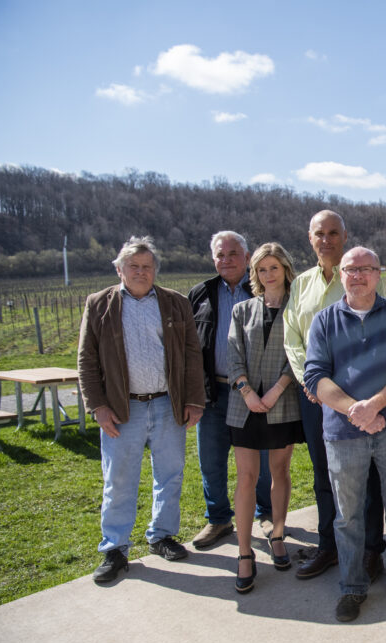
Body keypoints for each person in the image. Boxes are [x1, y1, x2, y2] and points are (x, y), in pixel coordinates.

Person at [303, 247, 386, 621]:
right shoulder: (323, 321)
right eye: (351, 269)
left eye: (366, 269)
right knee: (347, 517)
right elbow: (315, 377)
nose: (358, 276)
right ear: (340, 274)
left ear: (379, 274)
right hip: (342, 433)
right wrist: (355, 411)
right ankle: (352, 587)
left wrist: (374, 406)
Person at [78, 236, 204, 583]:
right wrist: (98, 407)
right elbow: (86, 360)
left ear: (155, 271)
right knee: (118, 479)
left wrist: (194, 400)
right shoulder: (99, 304)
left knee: (170, 474)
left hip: (167, 404)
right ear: (119, 269)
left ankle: (162, 535)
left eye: (147, 267)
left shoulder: (175, 304)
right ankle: (115, 548)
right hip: (122, 409)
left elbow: (193, 355)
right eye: (133, 266)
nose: (140, 272)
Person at [283, 210, 386, 581]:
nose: (325, 239)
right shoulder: (300, 285)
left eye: (332, 233)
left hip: (359, 399)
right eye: (318, 233)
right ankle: (329, 546)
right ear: (310, 238)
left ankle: (373, 549)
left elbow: (375, 337)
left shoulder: (361, 278)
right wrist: (311, 383)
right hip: (316, 399)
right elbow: (292, 339)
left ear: (344, 236)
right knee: (324, 474)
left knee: (367, 475)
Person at [227, 243, 305, 593]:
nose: (268, 275)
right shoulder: (243, 310)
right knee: (246, 477)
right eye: (262, 269)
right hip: (245, 406)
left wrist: (275, 391)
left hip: (283, 403)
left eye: (274, 268)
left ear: (285, 270)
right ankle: (244, 554)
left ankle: (277, 534)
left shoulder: (296, 308)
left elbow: (300, 353)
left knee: (279, 472)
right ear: (254, 273)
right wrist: (247, 392)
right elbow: (233, 355)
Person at [188, 231, 272, 551]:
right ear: (213, 260)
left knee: (260, 459)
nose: (226, 260)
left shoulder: (264, 290)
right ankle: (219, 518)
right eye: (220, 255)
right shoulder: (200, 294)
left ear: (247, 257)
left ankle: (266, 513)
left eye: (233, 253)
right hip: (214, 394)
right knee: (211, 460)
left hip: (254, 393)